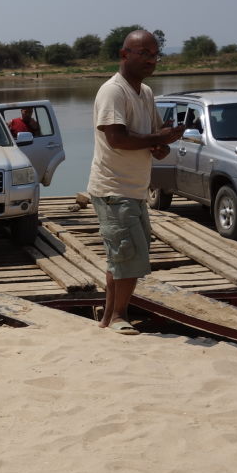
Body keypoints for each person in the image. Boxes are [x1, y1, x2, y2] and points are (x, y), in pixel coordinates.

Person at [87, 29, 184, 334]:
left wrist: (163, 142)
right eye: (144, 54)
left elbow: (152, 140)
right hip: (114, 188)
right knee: (128, 256)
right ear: (124, 54)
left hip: (135, 189)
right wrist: (157, 138)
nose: (151, 60)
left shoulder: (146, 92)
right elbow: (116, 138)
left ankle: (109, 317)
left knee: (121, 256)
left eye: (155, 54)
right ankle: (117, 317)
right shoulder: (113, 91)